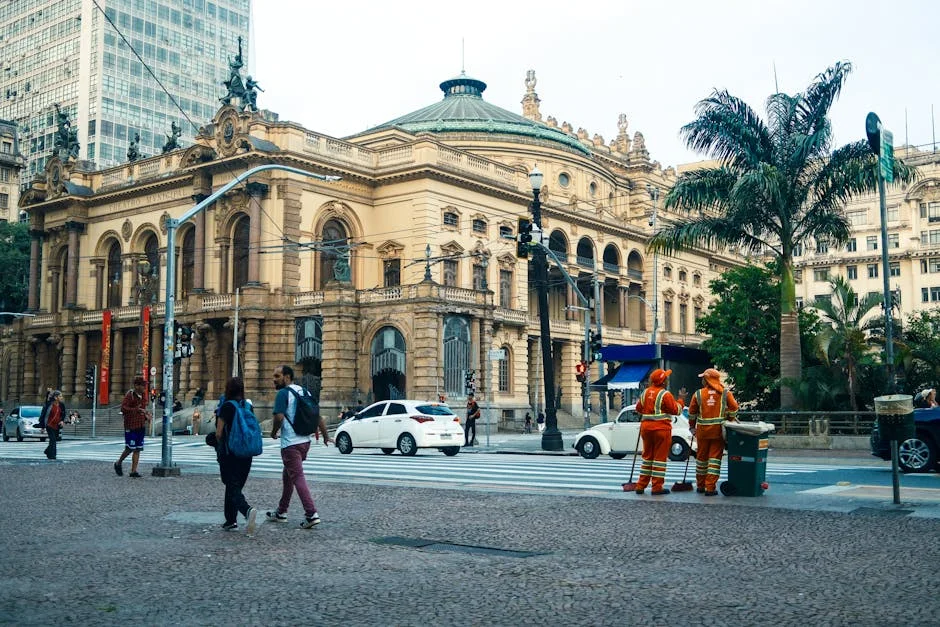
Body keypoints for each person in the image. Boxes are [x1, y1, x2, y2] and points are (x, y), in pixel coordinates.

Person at [266, 365, 331, 529]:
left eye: (277, 376)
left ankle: (311, 514)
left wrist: (274, 432)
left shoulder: (283, 393)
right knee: (288, 475)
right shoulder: (304, 392)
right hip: (305, 442)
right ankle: (281, 511)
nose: (274, 379)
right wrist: (326, 435)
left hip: (291, 443)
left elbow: (279, 416)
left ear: (287, 377)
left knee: (298, 477)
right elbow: (317, 415)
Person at [213, 377, 258, 534]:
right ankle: (230, 520)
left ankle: (246, 510)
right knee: (234, 485)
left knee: (231, 486)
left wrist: (218, 445)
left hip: (230, 452)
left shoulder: (226, 407)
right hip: (246, 453)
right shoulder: (248, 406)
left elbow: (219, 433)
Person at [687, 368, 739, 496]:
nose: (702, 381)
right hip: (717, 432)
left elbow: (692, 413)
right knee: (714, 460)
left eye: (703, 378)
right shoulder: (725, 393)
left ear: (707, 379)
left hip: (702, 432)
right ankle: (710, 488)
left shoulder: (698, 394)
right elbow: (734, 408)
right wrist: (729, 419)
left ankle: (700, 486)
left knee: (701, 459)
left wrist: (692, 427)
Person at [633, 368, 681, 495]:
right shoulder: (665, 394)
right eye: (666, 377)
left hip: (646, 429)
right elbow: (676, 410)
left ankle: (640, 486)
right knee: (659, 459)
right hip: (661, 429)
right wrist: (681, 400)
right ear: (663, 381)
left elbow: (638, 408)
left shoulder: (645, 393)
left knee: (647, 458)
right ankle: (656, 487)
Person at [114, 376, 152, 478]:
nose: (144, 387)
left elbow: (142, 409)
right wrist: (136, 409)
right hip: (130, 425)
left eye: (145, 385)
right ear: (136, 386)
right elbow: (123, 408)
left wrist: (146, 416)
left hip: (140, 424)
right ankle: (118, 462)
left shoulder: (144, 396)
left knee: (138, 449)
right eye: (143, 385)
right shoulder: (130, 395)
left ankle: (133, 471)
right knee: (129, 448)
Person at [42, 391, 64, 460]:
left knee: (54, 440)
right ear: (55, 397)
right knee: (53, 440)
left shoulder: (61, 405)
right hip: (49, 425)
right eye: (60, 396)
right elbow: (44, 415)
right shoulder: (49, 404)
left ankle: (47, 451)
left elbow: (63, 414)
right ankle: (52, 455)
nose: (61, 397)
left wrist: (62, 421)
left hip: (57, 425)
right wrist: (43, 426)